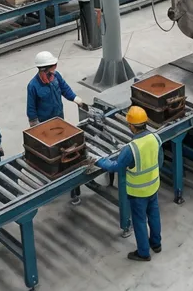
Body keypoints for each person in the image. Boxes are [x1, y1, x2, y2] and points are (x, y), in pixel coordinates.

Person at [97, 106, 162, 262]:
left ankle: (143, 253)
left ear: (131, 126)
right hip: (153, 186)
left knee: (139, 221)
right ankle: (156, 244)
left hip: (138, 192)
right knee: (154, 215)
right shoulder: (155, 138)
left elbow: (116, 167)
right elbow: (159, 161)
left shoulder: (131, 149)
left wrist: (100, 161)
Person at [26, 50, 85, 204]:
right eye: (50, 71)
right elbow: (31, 109)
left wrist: (75, 98)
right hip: (45, 129)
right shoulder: (33, 86)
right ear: (42, 70)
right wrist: (35, 127)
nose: (53, 74)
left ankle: (74, 191)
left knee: (68, 155)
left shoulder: (56, 77)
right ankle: (49, 186)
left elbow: (65, 89)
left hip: (60, 124)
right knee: (49, 158)